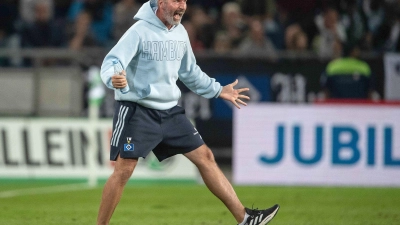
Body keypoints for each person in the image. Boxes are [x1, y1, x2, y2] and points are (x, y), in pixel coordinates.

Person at [98, 1, 280, 225]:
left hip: (170, 112)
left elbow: (190, 72)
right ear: (161, 2)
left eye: (184, 0)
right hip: (138, 112)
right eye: (176, 0)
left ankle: (245, 219)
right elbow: (112, 62)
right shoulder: (139, 31)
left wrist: (217, 90)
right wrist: (113, 77)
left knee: (206, 157)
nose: (182, 6)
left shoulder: (181, 32)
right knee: (124, 169)